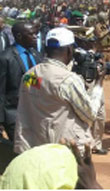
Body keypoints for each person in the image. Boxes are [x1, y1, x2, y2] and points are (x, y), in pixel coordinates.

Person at [14, 27, 104, 155]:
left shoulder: (30, 75)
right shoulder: (68, 81)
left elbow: (43, 89)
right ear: (69, 50)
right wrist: (98, 84)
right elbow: (90, 115)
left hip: (32, 148)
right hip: (61, 152)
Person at [0, 22, 42, 142]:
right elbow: (1, 90)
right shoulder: (5, 58)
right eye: (31, 34)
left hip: (36, 111)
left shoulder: (36, 55)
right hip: (14, 113)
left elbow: (36, 82)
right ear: (19, 36)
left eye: (36, 34)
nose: (35, 37)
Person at [94, 12, 110, 80]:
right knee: (102, 62)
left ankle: (109, 75)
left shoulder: (106, 25)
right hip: (102, 49)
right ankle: (102, 76)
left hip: (109, 48)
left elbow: (109, 35)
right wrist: (106, 32)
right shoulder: (98, 26)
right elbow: (99, 35)